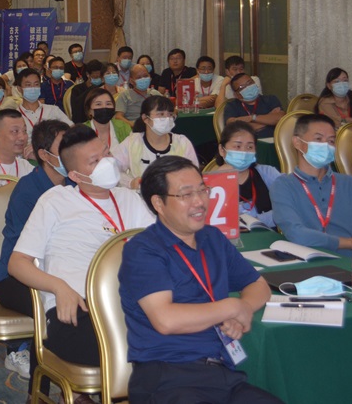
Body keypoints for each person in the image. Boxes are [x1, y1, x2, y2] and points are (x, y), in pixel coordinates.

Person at [9, 126, 155, 400]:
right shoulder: (55, 201)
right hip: (76, 309)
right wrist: (59, 287)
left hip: (129, 306)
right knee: (133, 348)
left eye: (106, 154)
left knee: (175, 339)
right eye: (95, 161)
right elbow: (17, 263)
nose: (107, 163)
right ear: (75, 175)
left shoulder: (130, 200)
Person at [120, 156, 280, 404]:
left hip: (221, 373)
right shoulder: (143, 250)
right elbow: (166, 320)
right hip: (167, 376)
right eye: (186, 194)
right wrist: (230, 307)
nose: (200, 201)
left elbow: (258, 286)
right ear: (158, 203)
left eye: (203, 190)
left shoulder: (212, 238)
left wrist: (244, 308)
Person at [0, 120, 70, 381]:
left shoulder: (74, 184)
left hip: (60, 271)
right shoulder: (28, 190)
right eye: (64, 147)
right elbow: (30, 251)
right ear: (44, 155)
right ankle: (38, 375)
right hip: (16, 277)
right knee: (57, 307)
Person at [271, 114, 352, 257]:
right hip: (306, 260)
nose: (326, 145)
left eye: (331, 141)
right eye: (318, 139)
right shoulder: (283, 185)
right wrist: (348, 243)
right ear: (297, 142)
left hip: (347, 262)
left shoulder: (349, 184)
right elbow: (296, 233)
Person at [113, 96, 199, 189]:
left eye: (170, 114)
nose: (167, 118)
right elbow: (112, 168)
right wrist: (130, 182)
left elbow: (194, 174)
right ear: (145, 118)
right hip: (140, 196)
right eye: (161, 114)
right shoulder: (132, 142)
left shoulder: (182, 142)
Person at [214, 122, 281, 227]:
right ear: (222, 150)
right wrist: (217, 181)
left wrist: (255, 221)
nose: (244, 152)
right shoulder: (211, 182)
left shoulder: (267, 173)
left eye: (250, 147)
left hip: (267, 234)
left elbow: (290, 207)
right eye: (237, 146)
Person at [14, 68, 73, 156]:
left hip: (54, 155)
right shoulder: (15, 116)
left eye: (36, 84)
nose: (33, 88)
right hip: (26, 158)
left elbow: (72, 130)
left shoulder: (53, 110)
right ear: (19, 89)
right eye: (28, 85)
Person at [222, 73, 284, 139]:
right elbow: (233, 128)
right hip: (246, 143)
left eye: (250, 83)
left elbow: (281, 119)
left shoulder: (270, 99)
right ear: (236, 95)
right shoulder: (232, 106)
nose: (248, 87)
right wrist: (269, 120)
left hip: (274, 142)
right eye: (242, 87)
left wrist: (252, 118)